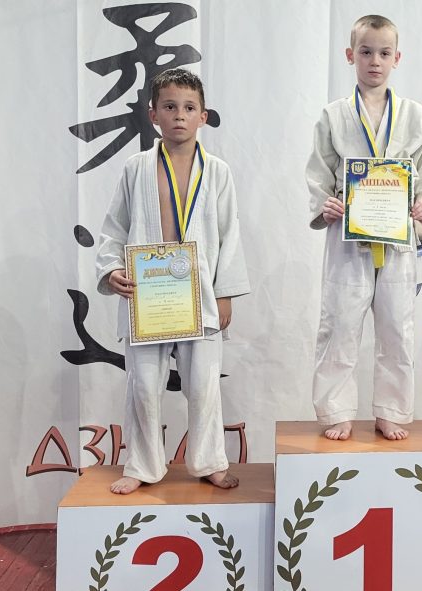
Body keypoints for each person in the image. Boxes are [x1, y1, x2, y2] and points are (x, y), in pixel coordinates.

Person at [95, 68, 250, 494]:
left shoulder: (217, 171)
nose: (179, 115)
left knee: (203, 387)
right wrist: (111, 270)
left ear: (203, 116)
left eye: (188, 107)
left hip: (199, 294)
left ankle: (209, 460)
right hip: (149, 295)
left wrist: (225, 293)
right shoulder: (136, 168)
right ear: (153, 114)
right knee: (144, 387)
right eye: (169, 106)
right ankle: (142, 464)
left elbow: (230, 232)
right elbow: (114, 228)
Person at [305, 14, 422, 441]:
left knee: (398, 328)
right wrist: (325, 204)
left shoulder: (415, 115)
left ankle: (391, 410)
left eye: (384, 53)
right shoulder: (334, 115)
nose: (375, 61)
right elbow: (319, 172)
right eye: (366, 52)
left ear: (397, 58)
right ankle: (336, 410)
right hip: (348, 240)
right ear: (351, 55)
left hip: (397, 238)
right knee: (340, 325)